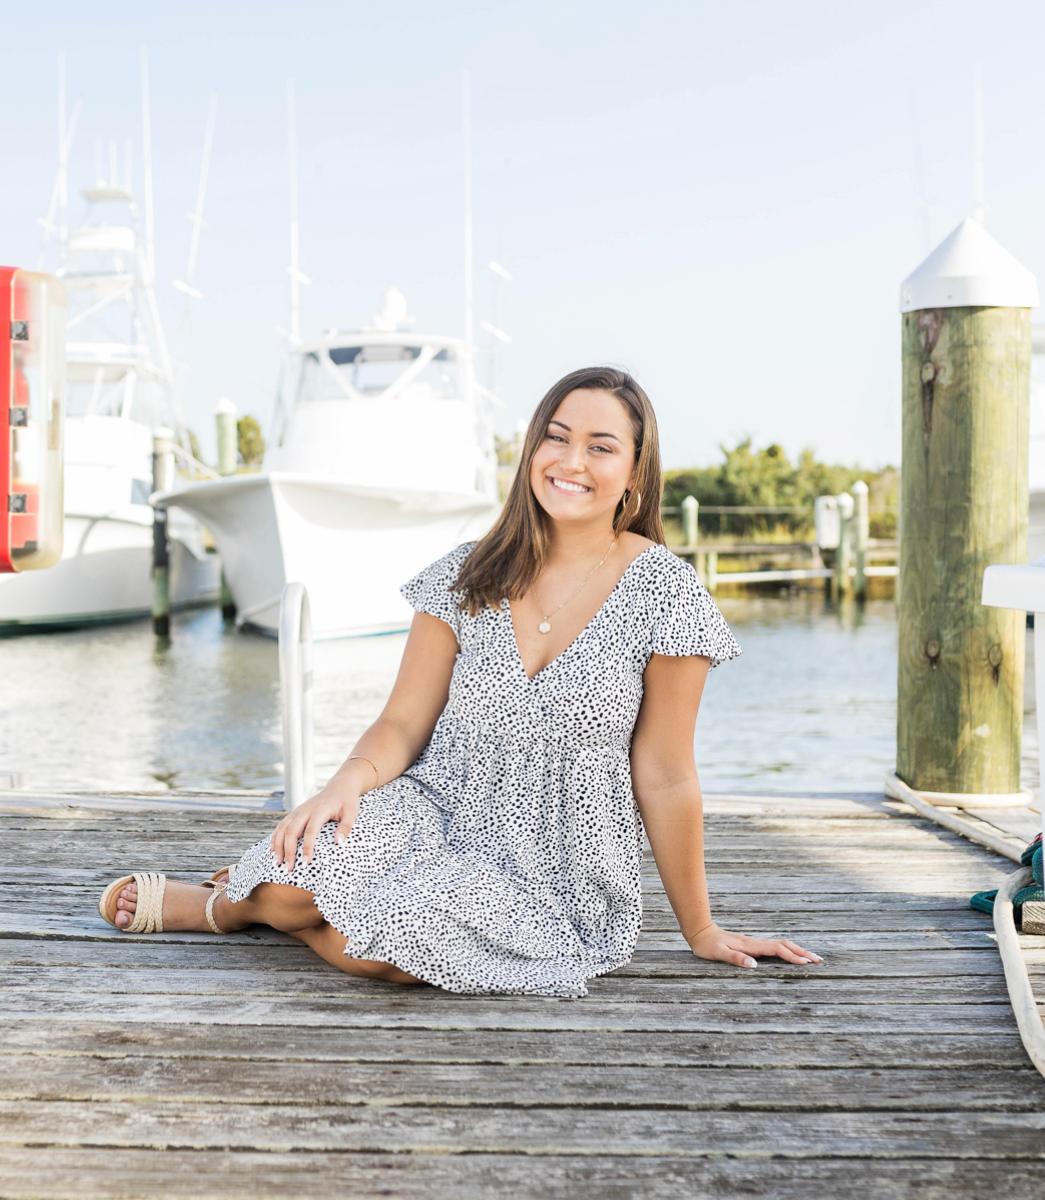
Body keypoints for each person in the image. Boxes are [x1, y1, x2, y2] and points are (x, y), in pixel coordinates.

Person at [96, 366, 821, 995]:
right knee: (300, 877)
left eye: (602, 447)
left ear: (634, 473)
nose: (572, 460)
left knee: (381, 947)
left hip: (554, 863)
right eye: (557, 436)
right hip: (434, 806)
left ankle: (230, 905)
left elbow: (664, 774)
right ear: (532, 449)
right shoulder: (466, 572)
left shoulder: (665, 591)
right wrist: (343, 786)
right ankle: (251, 899)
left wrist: (700, 926)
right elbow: (404, 724)